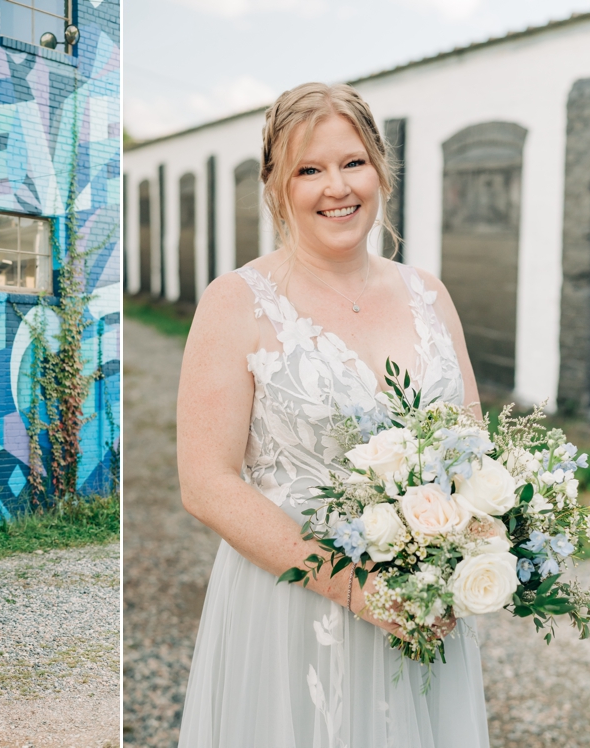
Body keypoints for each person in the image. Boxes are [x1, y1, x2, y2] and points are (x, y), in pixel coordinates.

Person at [176, 83, 490, 747]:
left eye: (352, 162)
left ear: (380, 167)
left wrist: (476, 547)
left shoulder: (428, 294)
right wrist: (360, 591)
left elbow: (474, 448)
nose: (336, 187)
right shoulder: (236, 303)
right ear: (276, 186)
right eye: (308, 169)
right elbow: (206, 483)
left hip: (422, 602)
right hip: (292, 610)